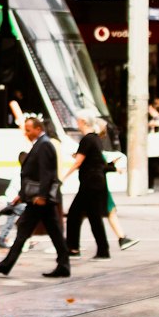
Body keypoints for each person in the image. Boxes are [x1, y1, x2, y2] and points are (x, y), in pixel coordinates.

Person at [0, 113, 71, 278]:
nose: (26, 133)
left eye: (29, 130)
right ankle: (63, 264)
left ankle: (6, 265)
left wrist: (42, 196)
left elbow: (46, 173)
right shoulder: (40, 144)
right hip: (37, 199)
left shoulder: (44, 145)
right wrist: (21, 196)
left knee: (25, 231)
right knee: (52, 232)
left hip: (40, 200)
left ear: (38, 129)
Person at [62, 110, 111, 259]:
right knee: (90, 216)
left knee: (75, 214)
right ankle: (100, 249)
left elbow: (78, 161)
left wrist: (63, 177)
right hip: (95, 182)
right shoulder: (95, 138)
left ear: (83, 121)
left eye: (78, 121)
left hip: (90, 183)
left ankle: (74, 248)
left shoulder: (87, 139)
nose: (77, 123)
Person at [96, 120, 137, 250]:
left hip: (96, 184)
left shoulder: (94, 142)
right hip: (95, 185)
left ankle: (120, 239)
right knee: (104, 213)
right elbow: (98, 163)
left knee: (109, 212)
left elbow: (98, 163)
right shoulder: (94, 142)